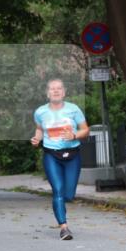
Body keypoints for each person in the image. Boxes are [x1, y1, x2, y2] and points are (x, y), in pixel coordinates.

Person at [30, 79, 89, 241]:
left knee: (68, 194)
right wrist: (36, 139)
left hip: (72, 155)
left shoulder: (73, 109)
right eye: (52, 89)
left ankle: (62, 206)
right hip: (51, 155)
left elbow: (85, 130)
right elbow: (39, 129)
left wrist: (75, 135)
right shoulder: (40, 112)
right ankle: (64, 227)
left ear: (64, 92)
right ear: (47, 93)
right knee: (58, 190)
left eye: (59, 88)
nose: (55, 91)